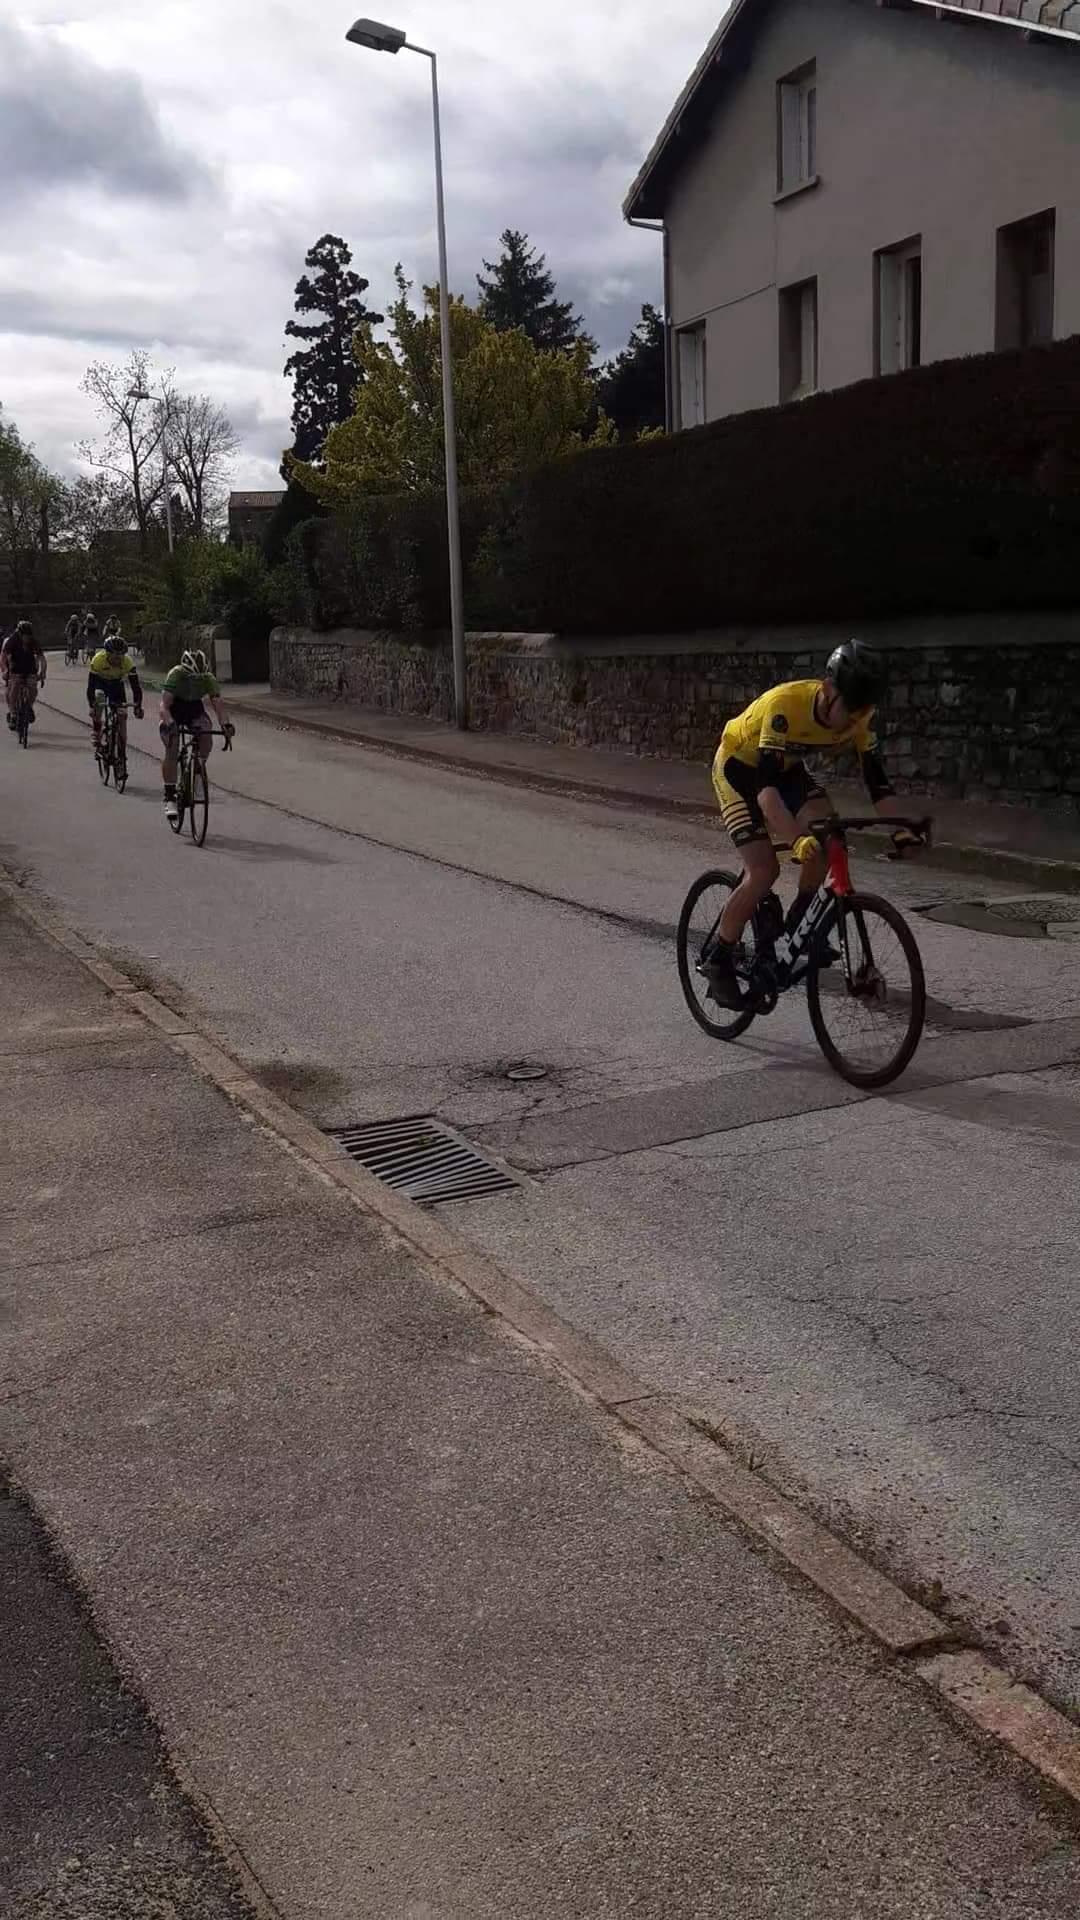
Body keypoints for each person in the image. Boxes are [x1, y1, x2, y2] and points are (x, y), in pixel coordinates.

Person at [705, 641, 924, 1007]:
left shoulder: (858, 716)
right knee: (763, 870)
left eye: (864, 709)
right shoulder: (785, 707)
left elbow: (878, 782)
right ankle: (719, 958)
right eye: (851, 707)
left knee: (830, 837)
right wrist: (795, 840)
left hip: (787, 770)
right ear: (827, 689)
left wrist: (900, 828)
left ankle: (801, 920)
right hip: (739, 771)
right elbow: (766, 793)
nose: (856, 718)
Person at [159, 648, 234, 820]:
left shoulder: (208, 678)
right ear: (184, 671)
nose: (196, 681)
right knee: (172, 747)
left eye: (199, 678)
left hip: (194, 709)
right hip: (174, 709)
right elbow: (164, 706)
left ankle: (198, 774)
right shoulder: (175, 674)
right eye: (192, 678)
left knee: (206, 735)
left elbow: (218, 703)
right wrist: (170, 725)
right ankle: (170, 796)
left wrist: (226, 724)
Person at [87, 626, 143, 756]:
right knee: (99, 697)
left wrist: (138, 705)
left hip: (116, 685)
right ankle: (97, 729)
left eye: (121, 655)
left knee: (122, 715)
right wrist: (92, 705)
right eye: (115, 655)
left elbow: (136, 687)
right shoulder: (98, 660)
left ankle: (122, 752)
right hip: (100, 683)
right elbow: (90, 686)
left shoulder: (128, 662)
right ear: (107, 653)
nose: (118, 659)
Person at [2, 618, 47, 729]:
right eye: (25, 636)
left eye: (29, 635)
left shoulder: (33, 641)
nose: (27, 638)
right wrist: (5, 670)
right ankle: (13, 714)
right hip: (16, 668)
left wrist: (43, 672)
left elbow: (42, 658)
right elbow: (4, 656)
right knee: (14, 687)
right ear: (20, 634)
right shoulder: (13, 640)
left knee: (33, 688)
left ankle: (29, 707)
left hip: (30, 668)